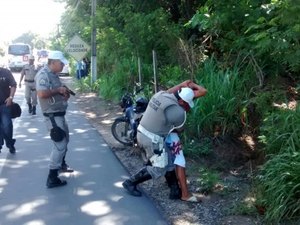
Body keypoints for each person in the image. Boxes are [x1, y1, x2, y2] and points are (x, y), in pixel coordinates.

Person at [122, 80, 207, 202]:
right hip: (151, 139)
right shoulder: (178, 113)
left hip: (141, 131)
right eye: (187, 104)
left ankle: (175, 191)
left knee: (170, 161)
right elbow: (179, 130)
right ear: (182, 101)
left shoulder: (161, 95)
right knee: (159, 167)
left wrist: (185, 84)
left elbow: (174, 90)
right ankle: (130, 182)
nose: (188, 106)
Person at [35, 50, 74, 188]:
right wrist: (58, 90)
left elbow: (56, 91)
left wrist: (64, 94)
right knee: (60, 144)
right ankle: (52, 177)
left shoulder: (54, 75)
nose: (63, 65)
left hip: (59, 114)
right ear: (53, 62)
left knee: (65, 140)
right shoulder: (43, 74)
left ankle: (61, 164)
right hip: (52, 116)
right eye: (61, 63)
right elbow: (41, 93)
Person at [0, 67, 17, 154]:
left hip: (4, 104)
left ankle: (10, 143)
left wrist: (10, 98)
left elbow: (13, 85)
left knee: (7, 126)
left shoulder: (5, 72)